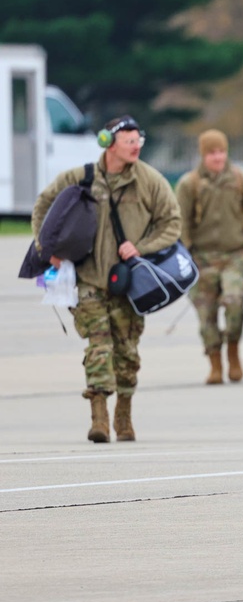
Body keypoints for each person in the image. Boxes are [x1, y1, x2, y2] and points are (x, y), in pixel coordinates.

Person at [31, 115, 182, 443]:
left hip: (129, 283)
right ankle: (98, 416)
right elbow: (43, 206)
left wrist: (141, 247)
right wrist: (48, 249)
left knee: (127, 353)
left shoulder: (150, 181)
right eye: (129, 140)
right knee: (98, 346)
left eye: (138, 140)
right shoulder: (80, 178)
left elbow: (171, 223)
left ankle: (123, 413)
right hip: (88, 280)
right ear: (108, 143)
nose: (136, 146)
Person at [176, 129, 243, 385]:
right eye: (212, 153)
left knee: (234, 301)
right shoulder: (189, 184)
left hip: (235, 255)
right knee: (206, 315)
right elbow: (180, 223)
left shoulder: (241, 180)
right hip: (200, 258)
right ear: (203, 155)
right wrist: (183, 257)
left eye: (221, 152)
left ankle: (233, 350)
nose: (218, 157)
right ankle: (215, 361)